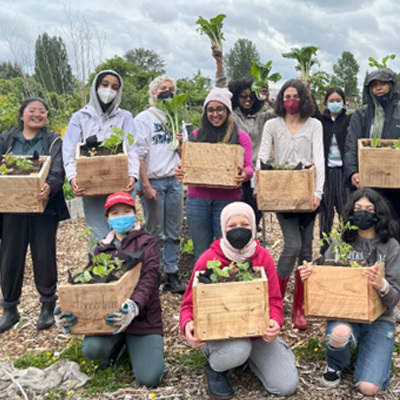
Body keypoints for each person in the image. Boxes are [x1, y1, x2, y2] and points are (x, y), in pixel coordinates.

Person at [180, 202, 298, 398]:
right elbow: (188, 305)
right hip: (221, 332)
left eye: (245, 225)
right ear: (223, 228)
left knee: (285, 386)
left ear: (253, 226)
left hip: (257, 331)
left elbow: (275, 301)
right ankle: (216, 367)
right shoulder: (209, 259)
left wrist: (275, 322)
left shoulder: (264, 258)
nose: (239, 230)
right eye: (232, 226)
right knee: (238, 349)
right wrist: (188, 325)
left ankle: (254, 358)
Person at [55, 191, 164, 388]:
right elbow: (88, 287)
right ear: (107, 219)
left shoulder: (148, 243)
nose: (121, 216)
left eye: (126, 211)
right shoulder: (100, 249)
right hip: (108, 320)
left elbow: (148, 281)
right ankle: (118, 345)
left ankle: (135, 344)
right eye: (115, 213)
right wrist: (67, 307)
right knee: (92, 350)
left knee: (150, 378)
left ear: (134, 213)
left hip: (143, 319)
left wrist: (133, 307)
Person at [298, 188, 400, 396]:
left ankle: (369, 351)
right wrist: (312, 274)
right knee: (340, 334)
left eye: (369, 209)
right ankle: (336, 364)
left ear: (378, 213)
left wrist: (381, 284)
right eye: (358, 208)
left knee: (368, 388)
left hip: (381, 318)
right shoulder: (340, 243)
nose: (363, 213)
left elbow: (394, 298)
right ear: (350, 213)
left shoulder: (390, 246)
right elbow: (325, 279)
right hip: (345, 313)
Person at [256, 79, 324, 330]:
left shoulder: (314, 125)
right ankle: (275, 301)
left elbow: (319, 158)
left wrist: (318, 191)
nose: (290, 101)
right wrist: (259, 187)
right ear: (281, 100)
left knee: (306, 251)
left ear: (303, 98)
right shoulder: (273, 125)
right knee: (292, 245)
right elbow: (262, 156)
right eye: (286, 96)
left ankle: (299, 308)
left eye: (295, 96)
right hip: (282, 192)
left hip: (306, 193)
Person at [0, 97, 69, 333]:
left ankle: (47, 306)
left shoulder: (52, 140)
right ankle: (10, 308)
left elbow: (58, 169)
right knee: (10, 256)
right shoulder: (7, 139)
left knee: (44, 255)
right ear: (22, 115)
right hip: (12, 208)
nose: (37, 114)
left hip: (44, 208)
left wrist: (49, 186)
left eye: (42, 111)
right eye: (32, 110)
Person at [175, 87, 253, 261]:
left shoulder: (240, 137)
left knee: (228, 248)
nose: (215, 114)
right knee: (201, 250)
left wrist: (244, 174)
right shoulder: (196, 136)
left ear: (227, 111)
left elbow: (249, 167)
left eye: (220, 109)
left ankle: (227, 285)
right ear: (205, 113)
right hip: (198, 200)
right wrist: (180, 169)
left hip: (227, 200)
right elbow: (188, 165)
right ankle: (202, 285)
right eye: (210, 110)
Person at [63, 69, 139, 241]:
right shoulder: (80, 117)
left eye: (114, 87)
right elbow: (69, 151)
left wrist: (132, 177)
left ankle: (127, 267)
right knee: (98, 233)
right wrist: (73, 178)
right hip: (92, 185)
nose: (109, 90)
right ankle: (100, 265)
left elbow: (133, 149)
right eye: (105, 85)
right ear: (95, 87)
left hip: (121, 183)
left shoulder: (125, 117)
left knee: (123, 229)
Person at [134, 75, 186, 293]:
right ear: (153, 93)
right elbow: (139, 154)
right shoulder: (143, 119)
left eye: (171, 88)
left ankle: (172, 271)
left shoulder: (177, 119)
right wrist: (145, 185)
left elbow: (185, 154)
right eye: (163, 88)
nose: (168, 92)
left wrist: (180, 144)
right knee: (155, 229)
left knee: (174, 229)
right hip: (153, 180)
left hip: (174, 181)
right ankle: (153, 271)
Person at [213, 46, 274, 228]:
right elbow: (220, 90)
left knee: (254, 215)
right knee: (236, 214)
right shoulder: (232, 115)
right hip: (236, 171)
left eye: (251, 96)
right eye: (243, 96)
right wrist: (219, 63)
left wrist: (268, 98)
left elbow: (282, 111)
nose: (247, 99)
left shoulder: (261, 117)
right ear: (236, 97)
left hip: (256, 172)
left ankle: (252, 249)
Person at [344, 68, 400, 226]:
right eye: (374, 85)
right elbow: (350, 145)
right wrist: (353, 171)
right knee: (367, 226)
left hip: (395, 185)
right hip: (366, 182)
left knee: (394, 225)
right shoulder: (361, 114)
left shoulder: (399, 113)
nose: (378, 88)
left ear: (392, 86)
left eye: (383, 84)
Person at [318, 87, 352, 255]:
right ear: (325, 103)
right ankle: (324, 251)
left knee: (345, 211)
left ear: (344, 102)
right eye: (331, 101)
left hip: (343, 172)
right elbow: (308, 107)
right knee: (325, 214)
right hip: (325, 172)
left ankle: (347, 249)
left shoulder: (349, 120)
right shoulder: (320, 121)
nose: (335, 103)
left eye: (338, 100)